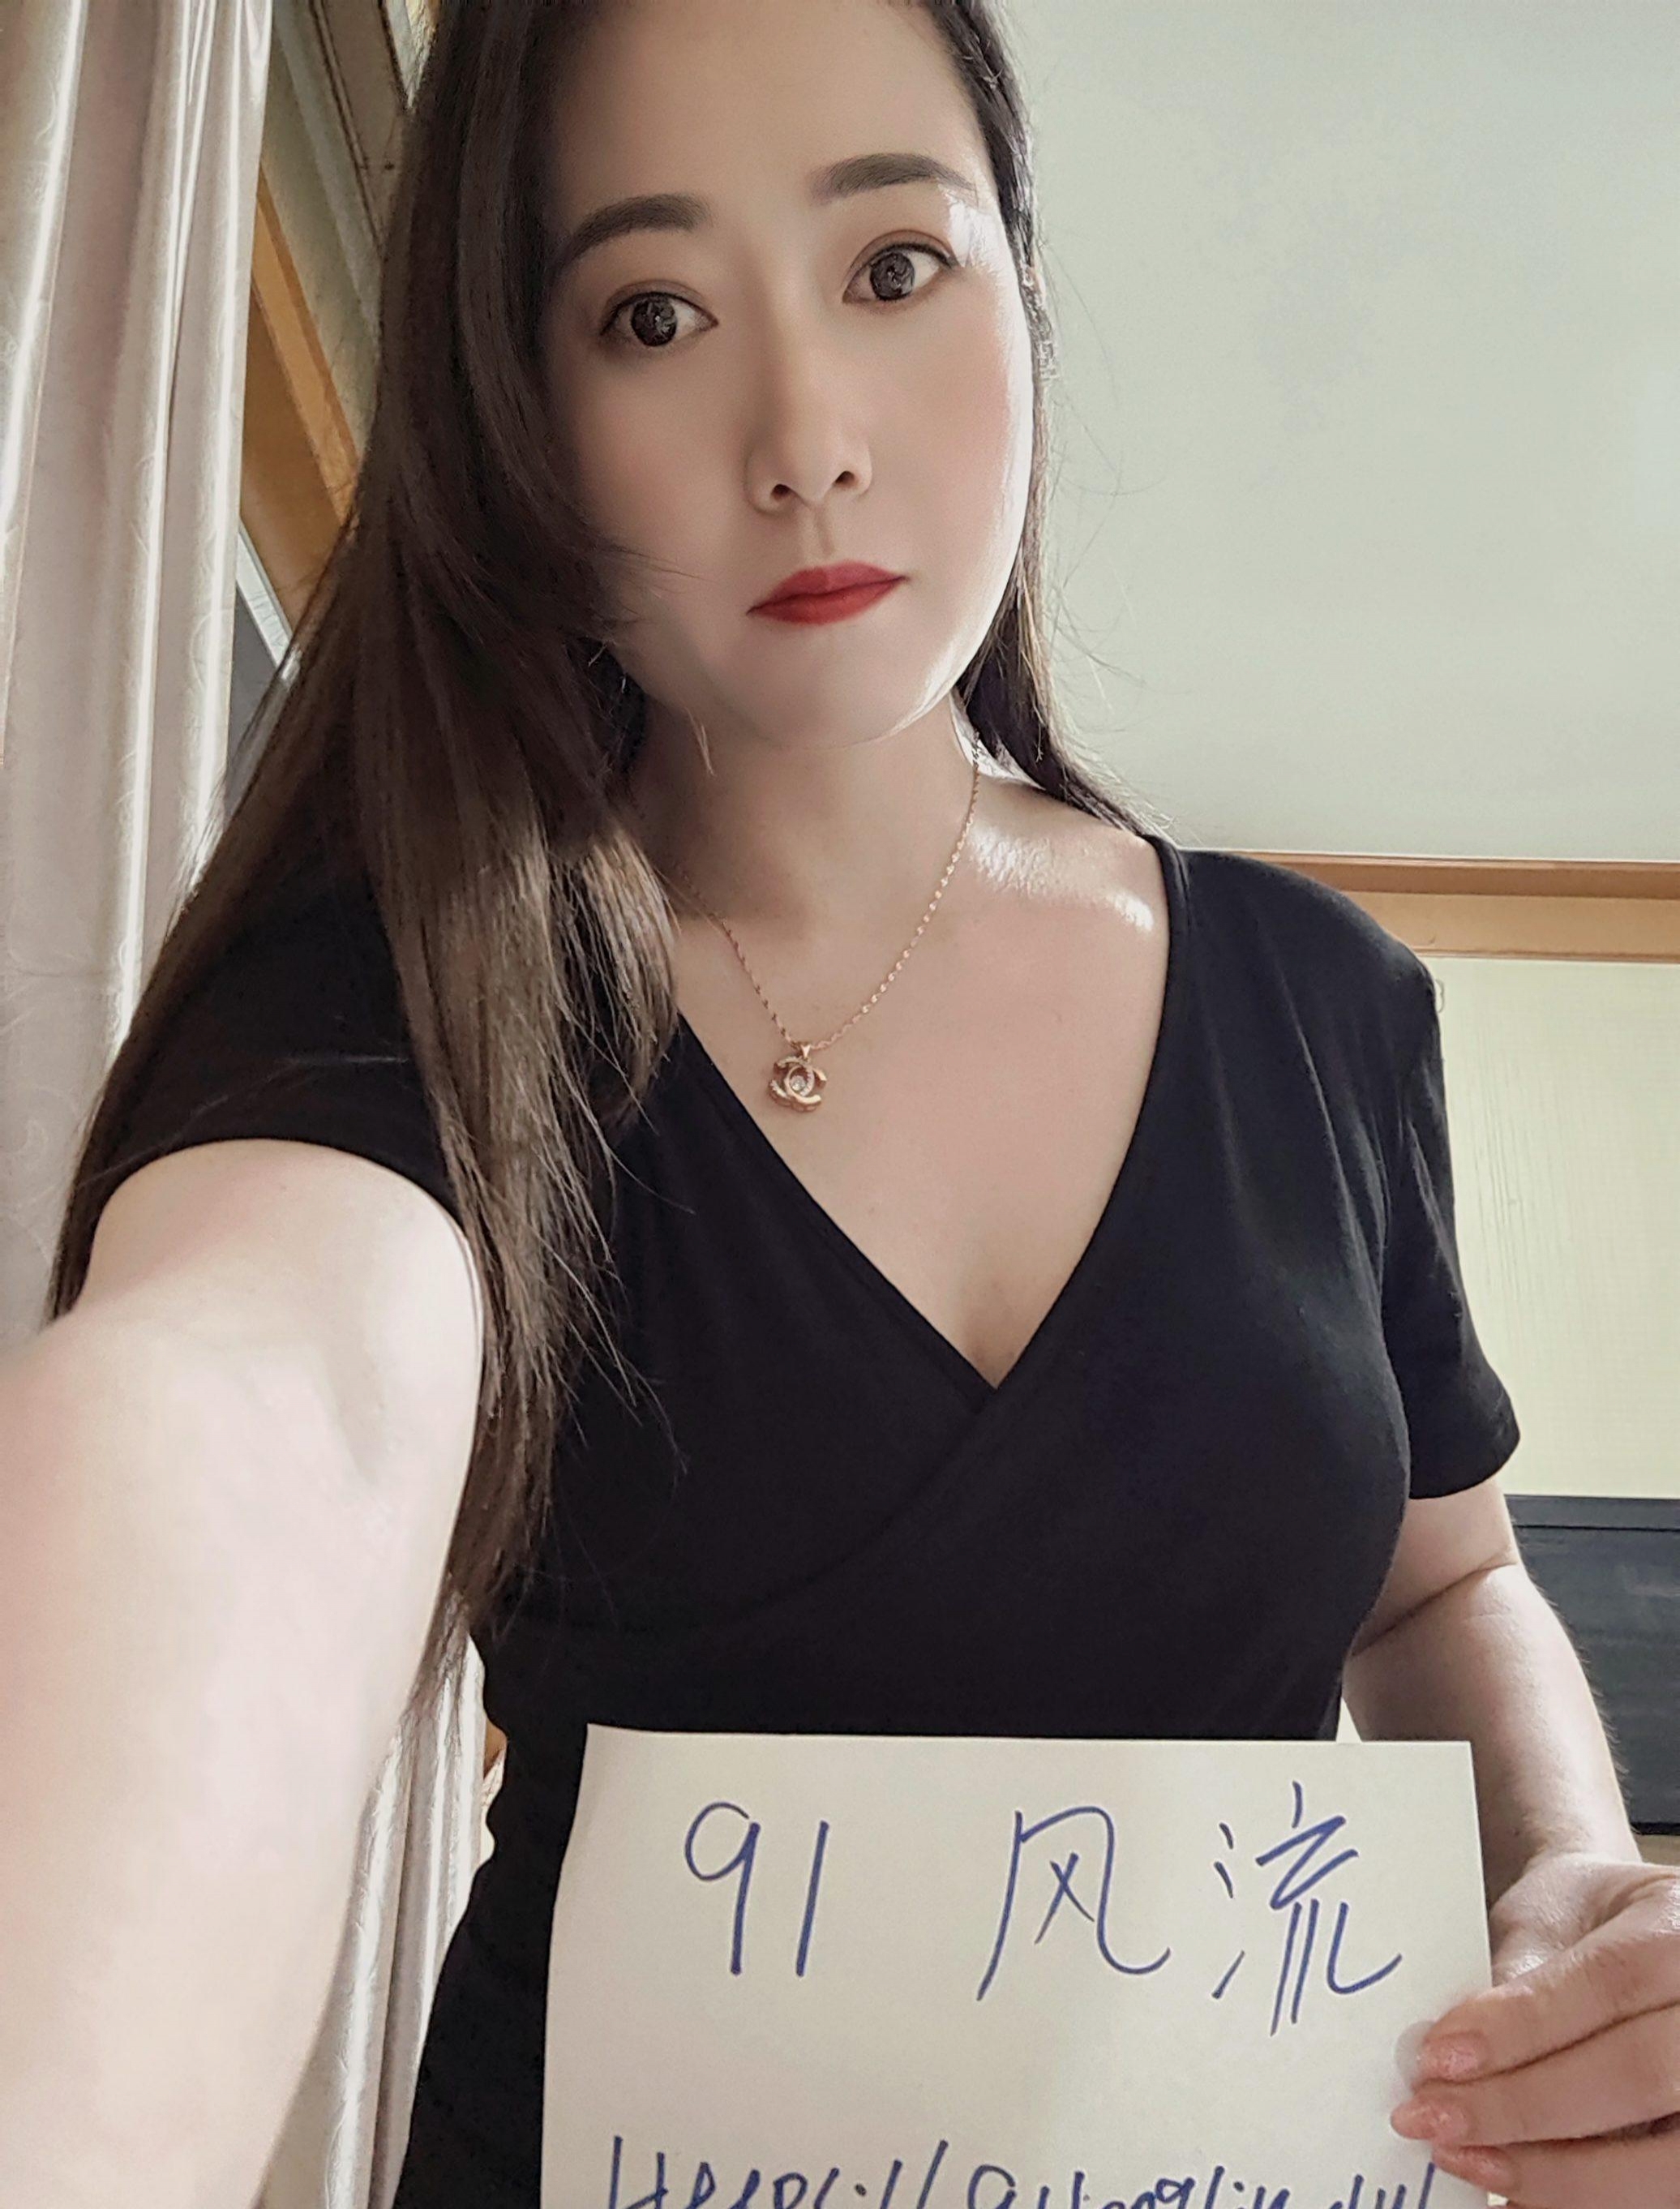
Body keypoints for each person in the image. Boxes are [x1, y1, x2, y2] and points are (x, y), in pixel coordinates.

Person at [6, 3, 1669, 2208]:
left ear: (1023, 293)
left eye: (894, 265)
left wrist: (1566, 1880)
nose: (803, 440)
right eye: (652, 311)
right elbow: (252, 1413)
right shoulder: (405, 996)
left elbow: (1439, 1583)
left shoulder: (1323, 1002)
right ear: (520, 413)